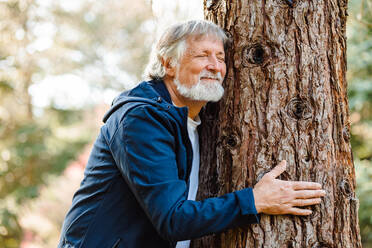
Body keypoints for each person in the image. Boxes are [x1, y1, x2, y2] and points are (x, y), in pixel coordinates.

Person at [58, 20, 325, 248]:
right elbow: (172, 219)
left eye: (220, 57)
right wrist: (254, 200)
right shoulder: (141, 119)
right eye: (202, 55)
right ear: (168, 63)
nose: (215, 66)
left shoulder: (198, 120)